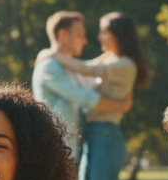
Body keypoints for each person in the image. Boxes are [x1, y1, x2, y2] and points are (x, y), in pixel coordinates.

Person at [44, 12, 152, 180]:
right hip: (91, 138)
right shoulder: (108, 60)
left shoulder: (125, 64)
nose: (97, 37)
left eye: (104, 32)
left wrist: (50, 53)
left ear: (118, 34)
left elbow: (85, 70)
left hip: (106, 138)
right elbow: (88, 68)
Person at [32, 11, 132, 161]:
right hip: (53, 154)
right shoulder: (50, 67)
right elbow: (86, 99)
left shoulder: (70, 69)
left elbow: (90, 72)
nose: (85, 40)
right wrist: (121, 106)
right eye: (80, 34)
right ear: (63, 34)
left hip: (69, 152)